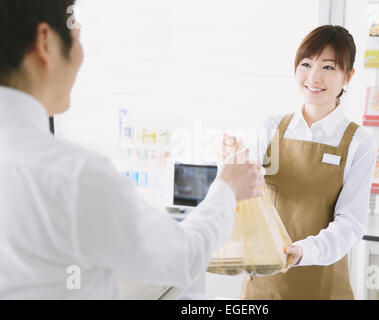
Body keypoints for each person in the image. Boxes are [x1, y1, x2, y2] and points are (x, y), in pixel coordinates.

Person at [0, 0, 264, 299]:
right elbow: (181, 257)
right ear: (45, 42)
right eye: (77, 37)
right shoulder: (76, 176)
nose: (81, 55)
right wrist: (227, 188)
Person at [237, 25, 377, 299]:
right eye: (306, 63)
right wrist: (234, 162)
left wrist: (302, 252)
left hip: (321, 283)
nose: (314, 77)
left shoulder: (358, 142)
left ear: (348, 76)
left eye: (328, 67)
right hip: (263, 284)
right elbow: (243, 180)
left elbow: (350, 224)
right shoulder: (272, 127)